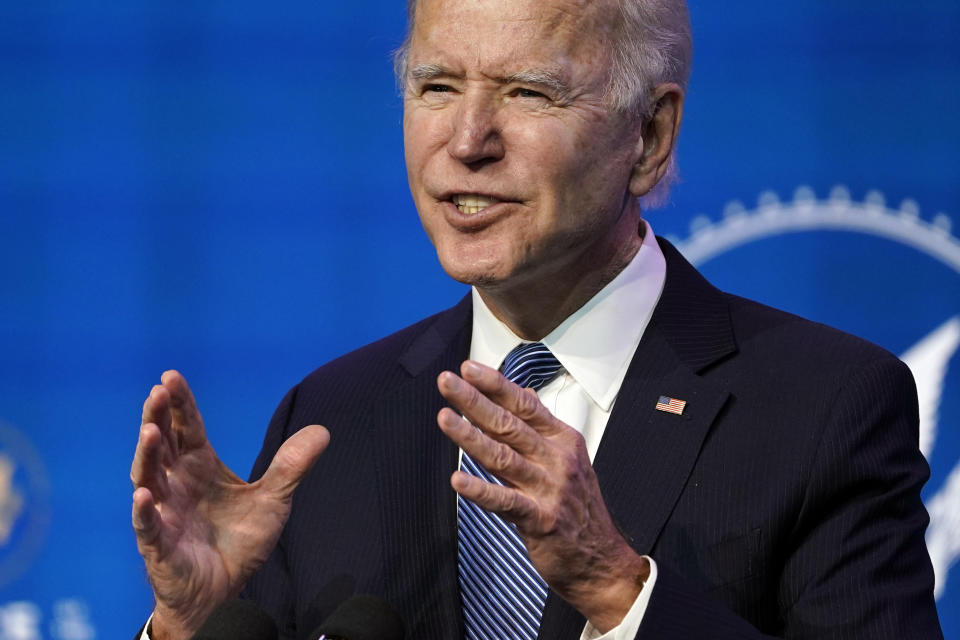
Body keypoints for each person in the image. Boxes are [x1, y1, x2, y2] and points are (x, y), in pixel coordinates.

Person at [130, 0, 944, 638]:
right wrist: (188, 626)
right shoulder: (334, 418)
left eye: (528, 92)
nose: (469, 140)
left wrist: (619, 592)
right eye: (437, 86)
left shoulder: (824, 407)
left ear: (650, 135)